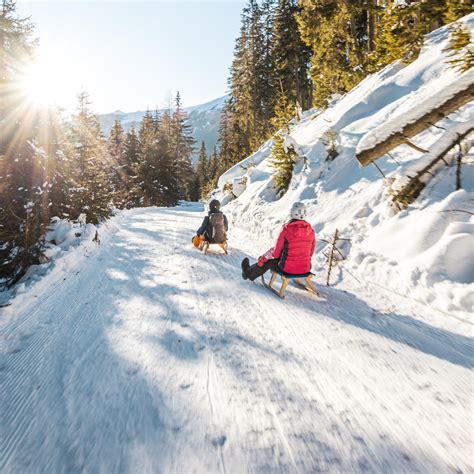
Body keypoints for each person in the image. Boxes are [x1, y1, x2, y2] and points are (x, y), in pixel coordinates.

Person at [241, 202, 315, 281]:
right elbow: (311, 252)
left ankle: (247, 273)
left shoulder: (286, 229)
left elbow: (276, 254)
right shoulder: (311, 231)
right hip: (305, 268)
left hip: (288, 269)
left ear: (292, 213)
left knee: (268, 263)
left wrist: (263, 258)